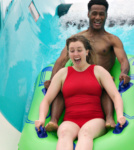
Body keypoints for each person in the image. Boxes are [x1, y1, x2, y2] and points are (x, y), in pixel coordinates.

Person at [44, 0, 130, 131]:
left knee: (108, 83)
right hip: (78, 78)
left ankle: (109, 118)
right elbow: (61, 60)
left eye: (101, 14)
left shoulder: (112, 39)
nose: (97, 17)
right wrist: (52, 79)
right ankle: (54, 121)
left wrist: (124, 72)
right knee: (60, 86)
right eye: (94, 13)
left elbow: (123, 60)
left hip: (100, 80)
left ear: (106, 15)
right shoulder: (77, 38)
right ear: (88, 14)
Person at [35, 35, 126, 150]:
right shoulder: (63, 73)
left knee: (85, 133)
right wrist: (41, 119)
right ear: (68, 54)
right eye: (72, 51)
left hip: (95, 120)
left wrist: (120, 116)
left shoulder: (98, 71)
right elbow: (47, 100)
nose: (76, 54)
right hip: (70, 121)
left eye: (79, 50)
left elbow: (115, 95)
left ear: (87, 52)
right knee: (63, 133)